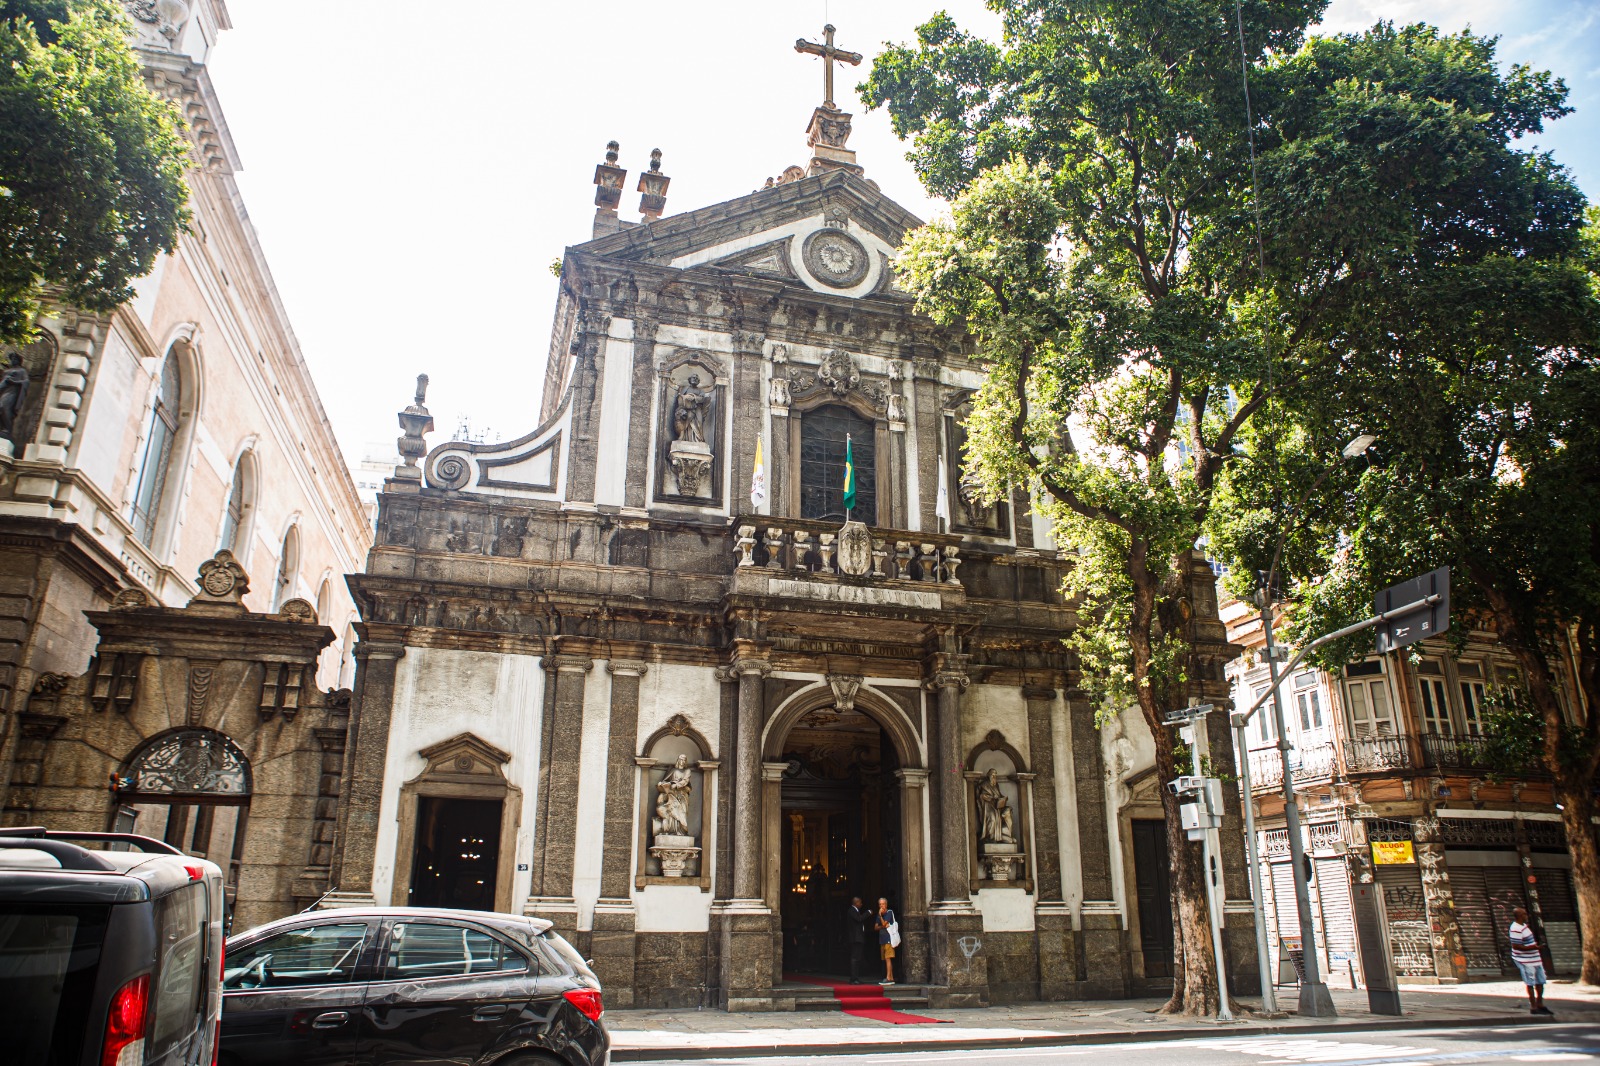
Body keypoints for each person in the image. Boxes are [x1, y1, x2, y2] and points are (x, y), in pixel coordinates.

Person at [1509, 907, 1553, 1015]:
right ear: (1520, 916)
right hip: (1525, 960)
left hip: (1535, 958)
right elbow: (1516, 946)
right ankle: (1533, 1007)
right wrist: (1534, 947)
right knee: (1530, 983)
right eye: (1524, 914)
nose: (1527, 916)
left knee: (1540, 981)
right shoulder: (1515, 928)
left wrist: (1535, 948)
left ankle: (1540, 1004)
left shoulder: (1524, 926)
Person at [846, 896, 873, 983]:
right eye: (860, 902)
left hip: (858, 938)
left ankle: (856, 978)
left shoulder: (856, 910)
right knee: (855, 958)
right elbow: (859, 919)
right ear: (856, 903)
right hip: (855, 938)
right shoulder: (852, 910)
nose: (861, 904)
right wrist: (868, 913)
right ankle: (853, 978)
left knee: (858, 958)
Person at [875, 896, 897, 986]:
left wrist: (880, 916)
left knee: (888, 958)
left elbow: (884, 923)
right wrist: (882, 925)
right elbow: (876, 927)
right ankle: (891, 977)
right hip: (882, 939)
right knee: (885, 958)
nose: (882, 906)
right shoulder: (879, 914)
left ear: (886, 905)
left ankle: (888, 978)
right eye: (880, 904)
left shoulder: (889, 912)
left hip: (889, 938)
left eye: (883, 904)